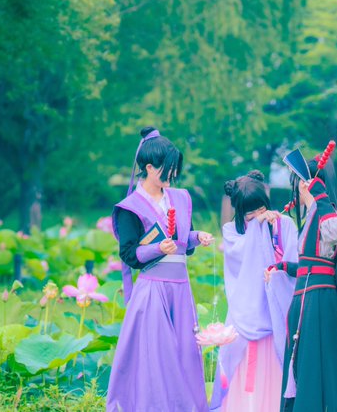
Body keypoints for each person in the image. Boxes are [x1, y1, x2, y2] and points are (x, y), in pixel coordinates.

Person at [107, 126, 214, 412]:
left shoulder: (180, 198)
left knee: (185, 354)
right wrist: (157, 249)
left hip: (181, 291)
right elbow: (129, 254)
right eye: (167, 169)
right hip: (153, 291)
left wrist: (198, 237)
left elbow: (184, 241)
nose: (172, 175)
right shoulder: (131, 207)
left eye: (174, 170)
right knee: (156, 358)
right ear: (149, 168)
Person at [267, 151, 337, 412]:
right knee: (303, 364)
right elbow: (311, 265)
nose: (296, 190)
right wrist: (283, 267)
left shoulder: (324, 212)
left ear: (306, 184)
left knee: (315, 367)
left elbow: (336, 231)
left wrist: (318, 196)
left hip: (318, 302)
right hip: (307, 299)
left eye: (297, 183)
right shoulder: (311, 215)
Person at [209, 170, 298, 412]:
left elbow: (294, 265)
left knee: (275, 374)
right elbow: (241, 266)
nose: (258, 215)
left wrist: (277, 273)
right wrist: (256, 228)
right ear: (240, 211)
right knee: (238, 374)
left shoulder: (284, 224)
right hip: (244, 316)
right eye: (251, 213)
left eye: (261, 208)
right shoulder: (231, 231)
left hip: (274, 315)